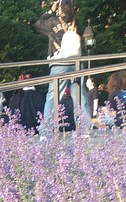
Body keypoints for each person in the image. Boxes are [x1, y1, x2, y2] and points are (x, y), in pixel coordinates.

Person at [35, 0, 90, 133]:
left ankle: (47, 130)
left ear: (60, 9)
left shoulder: (53, 22)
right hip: (76, 63)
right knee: (80, 96)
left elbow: (38, 24)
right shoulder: (76, 23)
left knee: (53, 97)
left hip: (59, 63)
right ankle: (84, 129)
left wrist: (51, 10)